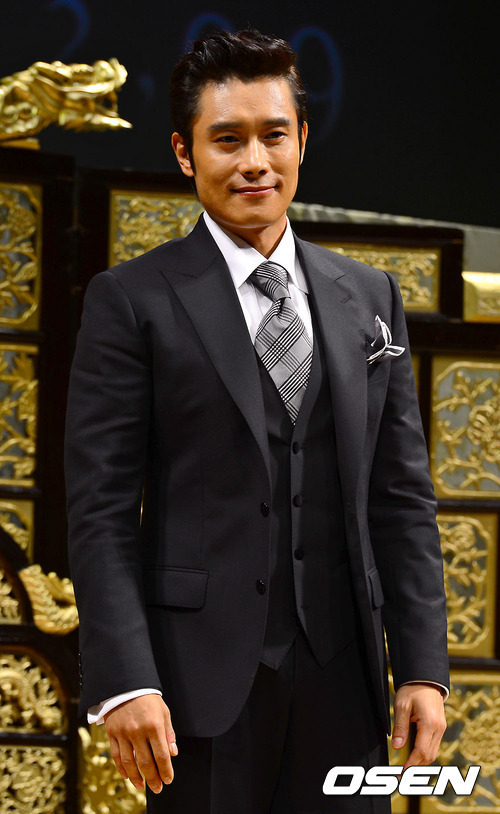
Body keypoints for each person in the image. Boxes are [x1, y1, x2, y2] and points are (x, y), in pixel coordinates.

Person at [65, 29, 449, 814]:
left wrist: (421, 668)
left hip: (345, 684)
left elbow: (402, 499)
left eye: (274, 135)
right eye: (227, 139)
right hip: (195, 687)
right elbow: (101, 511)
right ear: (184, 153)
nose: (255, 162)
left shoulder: (369, 296)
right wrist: (127, 680)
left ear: (301, 139)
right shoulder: (131, 300)